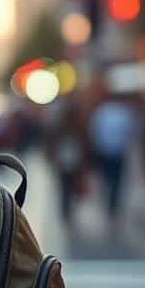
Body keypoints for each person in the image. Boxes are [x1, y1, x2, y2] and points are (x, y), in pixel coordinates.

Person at [88, 89, 136, 225]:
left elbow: (95, 132)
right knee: (116, 181)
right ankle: (113, 205)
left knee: (108, 180)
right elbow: (130, 132)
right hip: (117, 152)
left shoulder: (102, 112)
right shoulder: (123, 113)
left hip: (106, 151)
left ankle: (110, 204)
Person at [43, 92, 90, 231]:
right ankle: (67, 210)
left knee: (65, 187)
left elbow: (51, 144)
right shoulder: (76, 128)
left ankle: (66, 210)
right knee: (68, 187)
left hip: (67, 162)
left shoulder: (65, 128)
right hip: (70, 162)